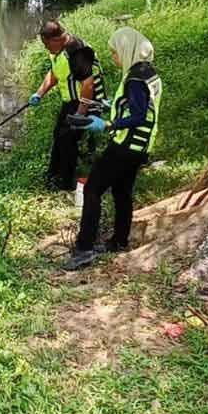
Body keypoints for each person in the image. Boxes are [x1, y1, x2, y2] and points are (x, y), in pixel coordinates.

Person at [63, 27, 163, 270]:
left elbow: (139, 115)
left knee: (93, 189)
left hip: (125, 145)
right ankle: (119, 241)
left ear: (127, 50)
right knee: (122, 192)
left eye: (115, 53)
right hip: (140, 147)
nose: (114, 58)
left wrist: (109, 123)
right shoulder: (148, 72)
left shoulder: (135, 80)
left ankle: (84, 249)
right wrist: (112, 104)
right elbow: (141, 106)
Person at [28, 20, 107, 190]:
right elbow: (55, 73)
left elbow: (88, 85)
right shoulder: (57, 51)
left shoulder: (77, 52)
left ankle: (66, 183)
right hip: (70, 101)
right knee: (59, 135)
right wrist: (39, 93)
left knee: (69, 139)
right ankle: (53, 175)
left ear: (56, 39)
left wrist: (80, 114)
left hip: (87, 101)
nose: (46, 48)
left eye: (46, 44)